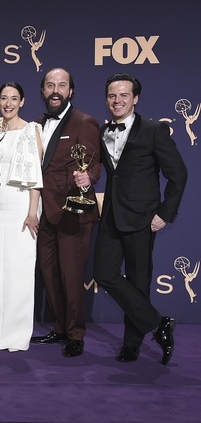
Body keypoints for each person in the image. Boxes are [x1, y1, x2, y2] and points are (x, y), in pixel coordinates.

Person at [91, 73, 187, 365]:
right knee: (105, 273)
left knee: (138, 280)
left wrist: (165, 213)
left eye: (123, 95)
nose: (116, 100)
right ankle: (158, 324)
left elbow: (178, 174)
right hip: (110, 215)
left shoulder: (154, 130)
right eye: (111, 95)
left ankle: (131, 345)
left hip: (143, 218)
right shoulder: (102, 131)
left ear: (135, 98)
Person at [30, 68, 101, 358]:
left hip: (72, 210)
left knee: (71, 275)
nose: (55, 90)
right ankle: (60, 327)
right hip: (45, 212)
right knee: (50, 274)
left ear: (71, 91)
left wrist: (89, 178)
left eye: (61, 85)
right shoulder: (36, 124)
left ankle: (75, 333)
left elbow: (92, 163)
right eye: (50, 85)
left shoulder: (85, 121)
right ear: (43, 91)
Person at [0, 82, 43, 352]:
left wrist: (32, 212)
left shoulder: (32, 130)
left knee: (19, 272)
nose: (8, 103)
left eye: (14, 98)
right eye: (4, 97)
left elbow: (36, 175)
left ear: (22, 102)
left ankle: (17, 335)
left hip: (21, 206)